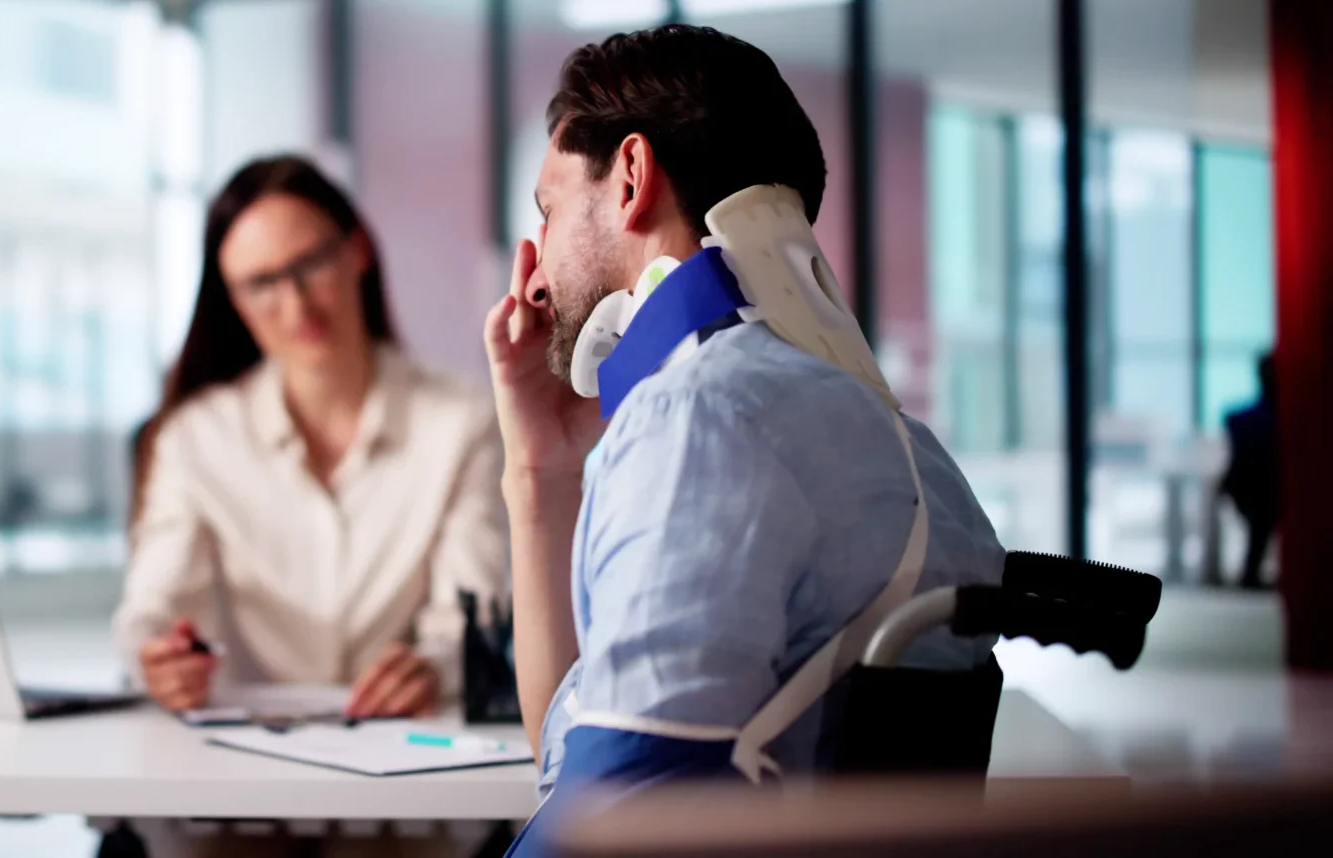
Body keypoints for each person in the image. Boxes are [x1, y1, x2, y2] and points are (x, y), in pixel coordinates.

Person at [482, 25, 1005, 852]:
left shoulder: (698, 419)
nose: (537, 271)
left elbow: (612, 821)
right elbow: (573, 748)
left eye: (548, 210)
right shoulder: (915, 452)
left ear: (629, 177)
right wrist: (539, 464)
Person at [114, 154, 506, 721]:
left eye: (312, 264)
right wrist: (159, 661)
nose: (295, 304)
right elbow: (152, 610)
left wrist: (434, 667)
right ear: (233, 300)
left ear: (357, 252)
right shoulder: (195, 438)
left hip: (409, 759)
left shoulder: (461, 421)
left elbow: (473, 615)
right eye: (261, 284)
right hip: (248, 768)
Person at [1222, 353, 1279, 589]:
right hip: (1262, 490)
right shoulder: (1269, 419)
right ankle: (1251, 574)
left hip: (1252, 489)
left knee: (1258, 533)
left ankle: (1251, 574)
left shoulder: (1244, 419)